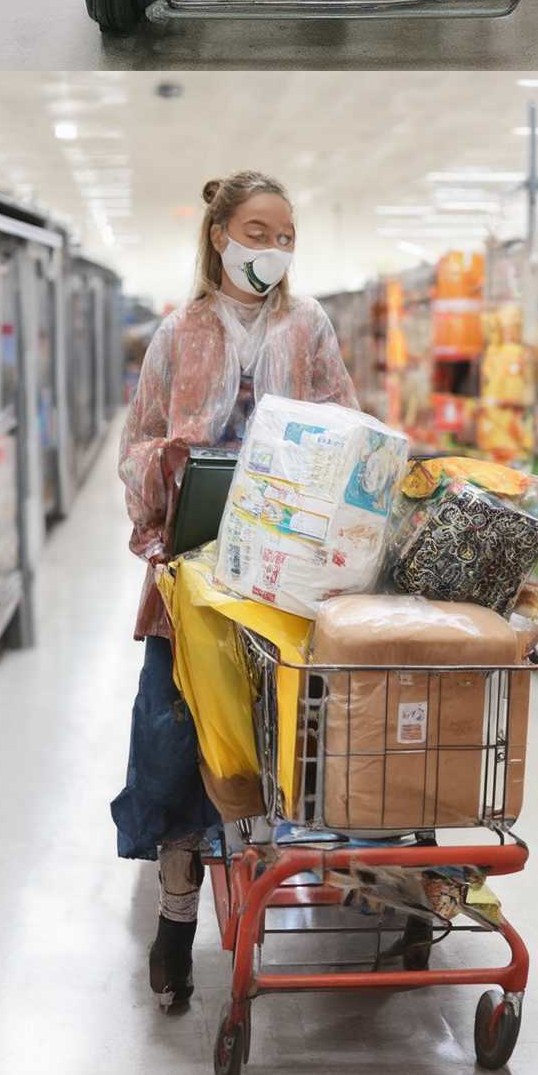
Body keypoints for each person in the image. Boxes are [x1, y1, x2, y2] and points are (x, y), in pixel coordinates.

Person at [112, 169, 355, 1015]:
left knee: (294, 740)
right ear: (219, 235)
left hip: (289, 580)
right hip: (196, 581)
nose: (273, 249)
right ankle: (176, 922)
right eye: (257, 231)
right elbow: (137, 439)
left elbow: (346, 424)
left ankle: (312, 878)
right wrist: (172, 464)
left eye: (285, 235)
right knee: (180, 743)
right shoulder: (178, 333)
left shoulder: (311, 325)